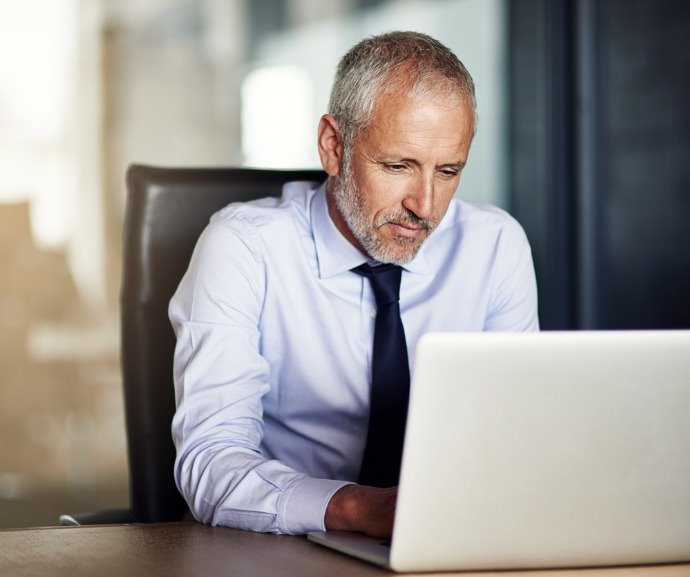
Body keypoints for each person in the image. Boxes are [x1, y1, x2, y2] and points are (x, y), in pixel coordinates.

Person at [169, 31, 538, 538]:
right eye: (397, 166)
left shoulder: (495, 246)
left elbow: (520, 438)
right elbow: (210, 463)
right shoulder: (244, 248)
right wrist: (360, 510)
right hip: (282, 551)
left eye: (449, 171)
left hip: (451, 543)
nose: (425, 206)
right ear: (334, 146)